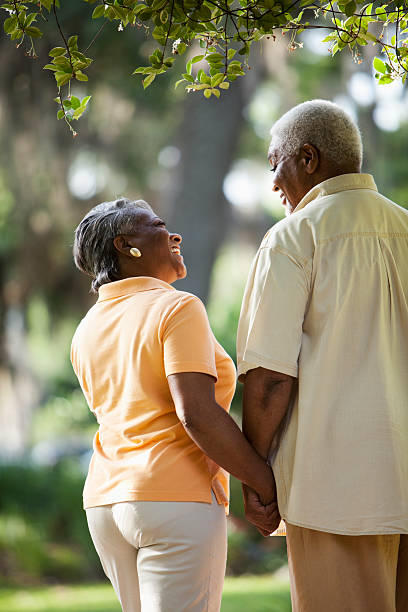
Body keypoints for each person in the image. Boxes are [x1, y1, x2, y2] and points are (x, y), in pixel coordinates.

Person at [237, 99, 408, 611]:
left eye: (275, 165)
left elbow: (269, 379)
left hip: (335, 493)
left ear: (307, 159)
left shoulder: (293, 238)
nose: (272, 184)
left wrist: (255, 477)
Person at [70, 197, 277, 612]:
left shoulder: (87, 327)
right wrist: (262, 481)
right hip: (173, 501)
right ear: (127, 245)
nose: (174, 234)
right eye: (159, 225)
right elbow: (196, 414)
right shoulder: (178, 306)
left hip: (106, 504)